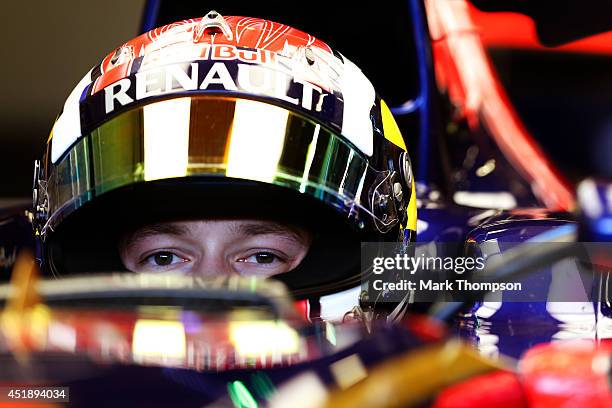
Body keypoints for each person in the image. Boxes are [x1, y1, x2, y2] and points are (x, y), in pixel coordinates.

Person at [32, 11, 417, 321]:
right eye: (164, 258)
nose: (212, 292)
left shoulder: (459, 274)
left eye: (262, 257)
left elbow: (465, 272)